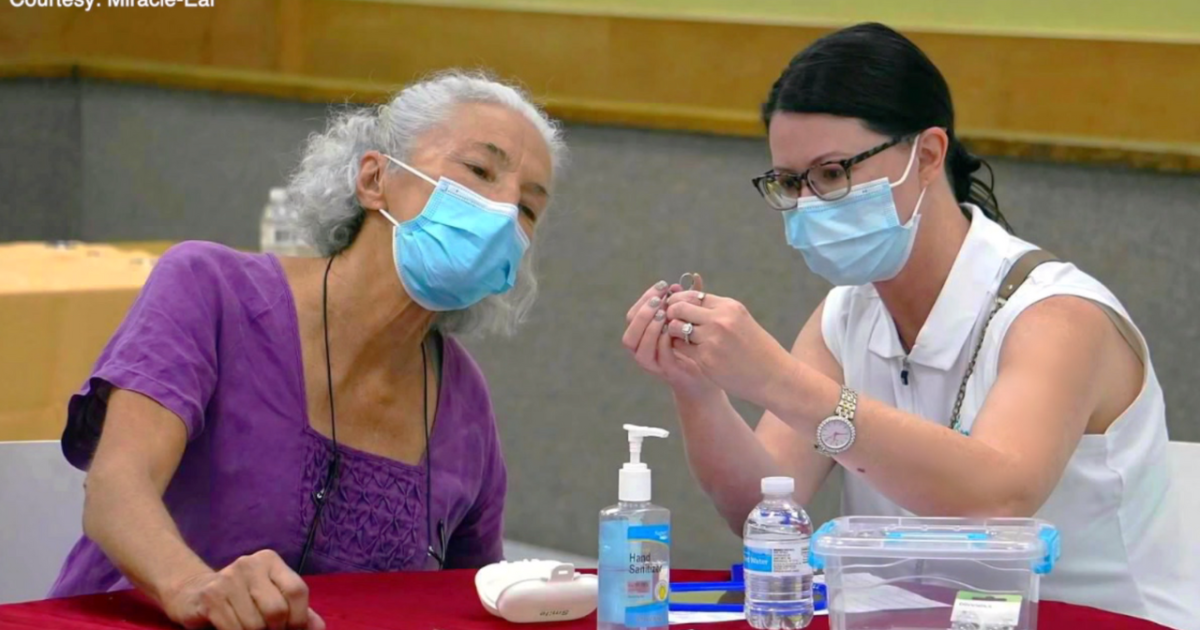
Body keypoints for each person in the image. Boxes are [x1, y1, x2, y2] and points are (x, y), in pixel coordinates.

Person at [623, 23, 1196, 629]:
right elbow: (762, 505)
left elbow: (998, 500)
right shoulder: (848, 312)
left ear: (926, 156)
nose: (811, 202)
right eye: (791, 183)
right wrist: (700, 390)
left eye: (833, 172)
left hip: (1095, 619)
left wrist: (775, 379)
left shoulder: (1055, 314)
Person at [48, 71, 565, 630]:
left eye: (528, 209)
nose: (503, 212)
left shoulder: (462, 401)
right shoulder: (211, 290)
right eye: (480, 171)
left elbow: (469, 599)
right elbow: (116, 486)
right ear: (374, 178)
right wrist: (194, 587)